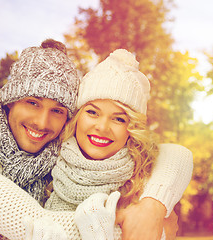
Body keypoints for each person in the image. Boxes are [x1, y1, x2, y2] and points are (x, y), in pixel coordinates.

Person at [0, 39, 192, 239]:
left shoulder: (49, 159)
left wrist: (153, 206)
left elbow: (175, 154)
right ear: (8, 102)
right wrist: (151, 229)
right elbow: (36, 226)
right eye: (32, 102)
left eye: (57, 110)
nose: (42, 122)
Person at [41, 49, 193, 240]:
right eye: (92, 112)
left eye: (119, 119)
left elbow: (179, 154)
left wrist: (152, 206)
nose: (102, 127)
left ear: (132, 128)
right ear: (77, 117)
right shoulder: (47, 159)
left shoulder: (143, 181)